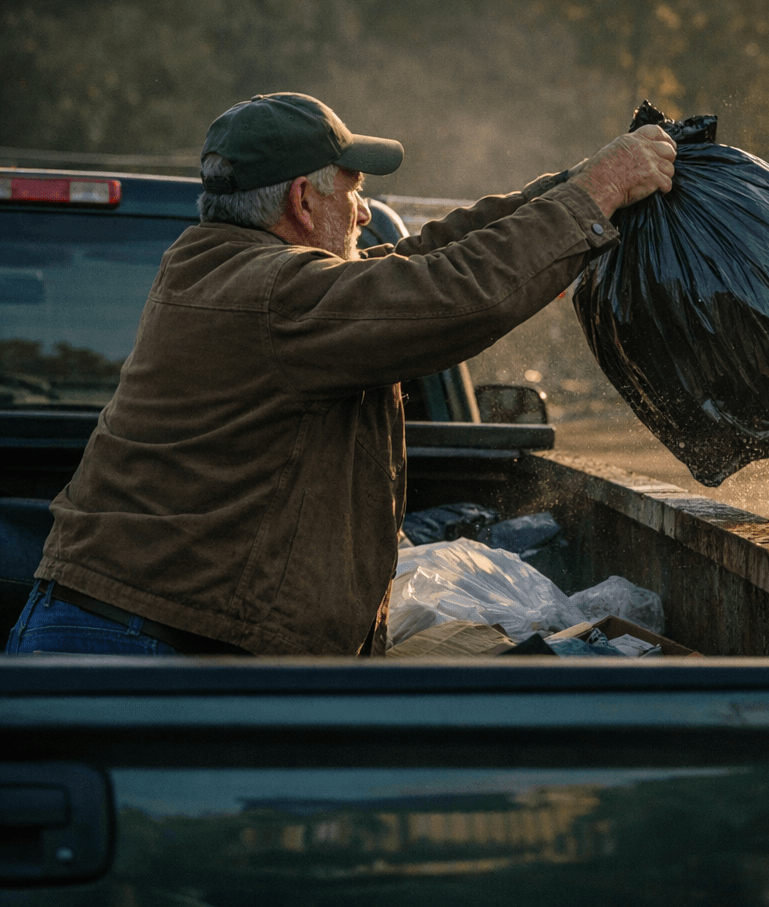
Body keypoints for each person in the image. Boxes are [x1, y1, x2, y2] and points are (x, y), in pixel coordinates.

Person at [7, 92, 675, 658]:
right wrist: (596, 194)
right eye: (355, 191)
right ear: (302, 200)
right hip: (135, 650)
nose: (362, 212)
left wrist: (572, 185)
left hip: (133, 635)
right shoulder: (273, 294)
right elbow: (450, 294)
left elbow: (420, 260)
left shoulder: (226, 268)